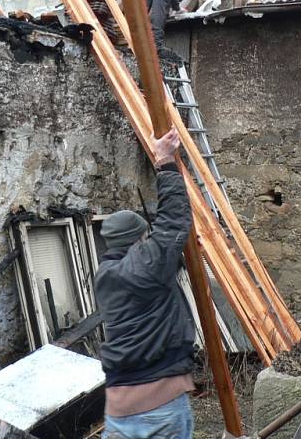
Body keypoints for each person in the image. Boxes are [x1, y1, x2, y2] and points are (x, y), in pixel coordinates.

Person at [94, 127, 196, 439]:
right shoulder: (145, 267)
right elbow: (173, 221)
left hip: (119, 408)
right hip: (159, 406)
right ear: (139, 238)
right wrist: (164, 162)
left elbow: (158, 259)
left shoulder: (105, 273)